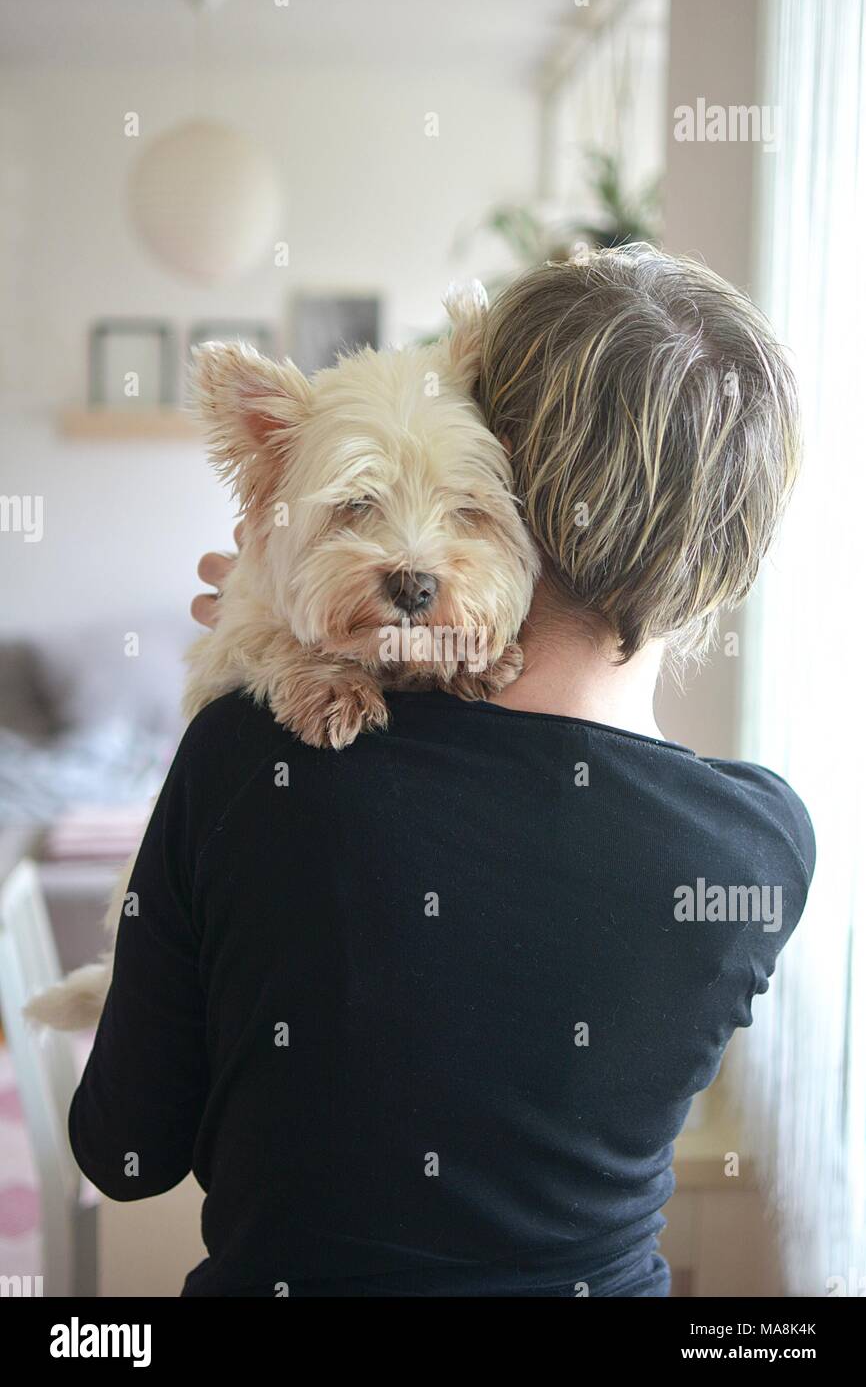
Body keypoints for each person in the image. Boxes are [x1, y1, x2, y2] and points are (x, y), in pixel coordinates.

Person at [69, 245, 815, 1297]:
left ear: (502, 454)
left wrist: (275, 613)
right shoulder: (761, 843)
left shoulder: (256, 755)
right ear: (730, 559)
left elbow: (125, 1151)